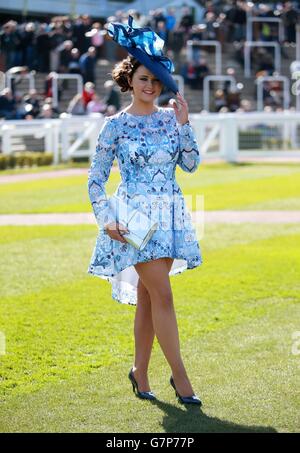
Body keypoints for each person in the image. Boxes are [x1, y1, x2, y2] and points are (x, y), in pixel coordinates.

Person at [87, 15, 203, 405]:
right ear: (129, 80)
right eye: (143, 79)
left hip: (170, 216)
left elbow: (190, 165)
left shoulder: (173, 119)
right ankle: (182, 379)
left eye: (155, 80)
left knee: (151, 298)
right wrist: (107, 218)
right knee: (164, 296)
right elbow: (95, 180)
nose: (150, 86)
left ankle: (139, 372)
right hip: (134, 220)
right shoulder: (114, 126)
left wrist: (185, 125)